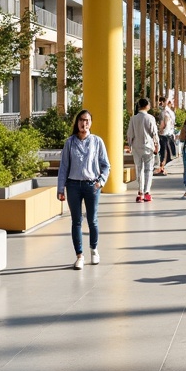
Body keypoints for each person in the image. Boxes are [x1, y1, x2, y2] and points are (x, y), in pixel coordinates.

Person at [56, 109, 110, 269]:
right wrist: (60, 188)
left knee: (92, 220)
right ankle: (79, 255)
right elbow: (64, 166)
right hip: (73, 186)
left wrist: (101, 182)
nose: (84, 123)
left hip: (91, 185)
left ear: (91, 123)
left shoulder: (97, 141)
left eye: (87, 120)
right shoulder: (70, 142)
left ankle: (94, 250)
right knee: (76, 221)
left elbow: (106, 165)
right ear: (77, 122)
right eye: (81, 120)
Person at [126, 97, 158, 203]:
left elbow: (130, 134)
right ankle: (147, 192)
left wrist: (130, 145)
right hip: (148, 147)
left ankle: (140, 193)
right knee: (148, 170)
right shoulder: (150, 118)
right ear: (147, 105)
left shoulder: (133, 119)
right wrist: (157, 145)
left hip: (136, 147)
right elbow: (154, 133)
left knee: (139, 169)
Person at [155, 95, 175, 175]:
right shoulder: (171, 111)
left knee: (163, 151)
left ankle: (161, 168)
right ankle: (162, 168)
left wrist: (160, 130)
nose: (159, 104)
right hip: (169, 133)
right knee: (166, 151)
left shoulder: (164, 112)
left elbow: (165, 122)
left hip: (164, 133)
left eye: (160, 102)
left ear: (163, 102)